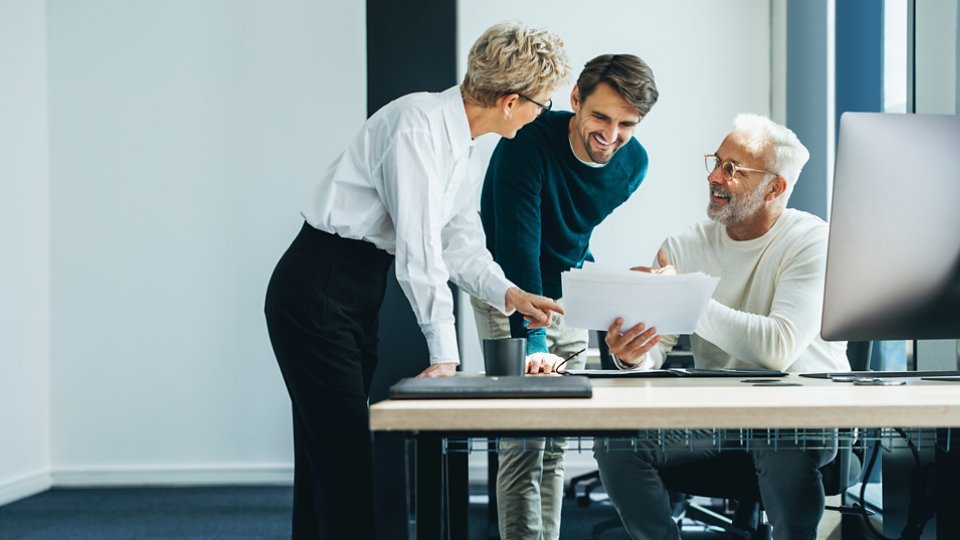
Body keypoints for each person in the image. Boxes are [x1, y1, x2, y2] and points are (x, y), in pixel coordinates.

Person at [263, 22, 571, 540]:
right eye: (542, 104)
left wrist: (509, 293)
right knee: (344, 463)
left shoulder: (465, 143)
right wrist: (444, 355)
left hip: (355, 288)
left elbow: (460, 243)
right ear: (512, 101)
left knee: (327, 461)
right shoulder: (417, 125)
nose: (543, 114)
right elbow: (420, 251)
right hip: (318, 285)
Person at [593, 114, 851, 540]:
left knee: (781, 438)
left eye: (733, 169)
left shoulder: (811, 240)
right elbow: (658, 349)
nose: (715, 176)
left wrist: (686, 297)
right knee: (616, 443)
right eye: (717, 161)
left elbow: (777, 349)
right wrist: (633, 356)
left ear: (775, 187)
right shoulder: (683, 245)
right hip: (717, 415)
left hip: (801, 412)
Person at [471, 54, 659, 540]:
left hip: (564, 292)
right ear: (576, 99)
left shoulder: (632, 165)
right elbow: (519, 247)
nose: (611, 135)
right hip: (505, 287)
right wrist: (533, 342)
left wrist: (594, 288)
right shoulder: (525, 144)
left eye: (626, 124)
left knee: (555, 440)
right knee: (524, 438)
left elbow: (571, 230)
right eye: (600, 117)